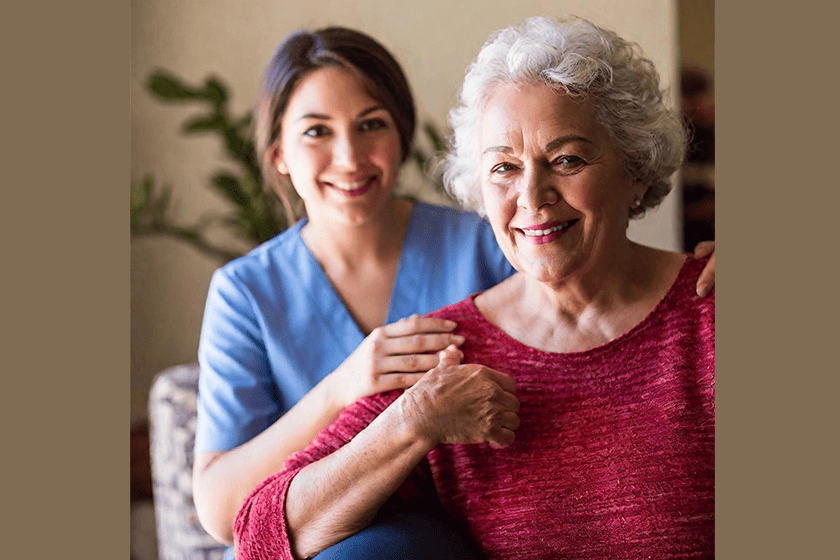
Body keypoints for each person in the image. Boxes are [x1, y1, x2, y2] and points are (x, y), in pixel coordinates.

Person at [192, 24, 717, 556]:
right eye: (504, 168)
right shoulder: (448, 351)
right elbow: (252, 528)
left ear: (635, 167)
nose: (532, 197)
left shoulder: (707, 317)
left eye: (567, 160)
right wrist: (403, 421)